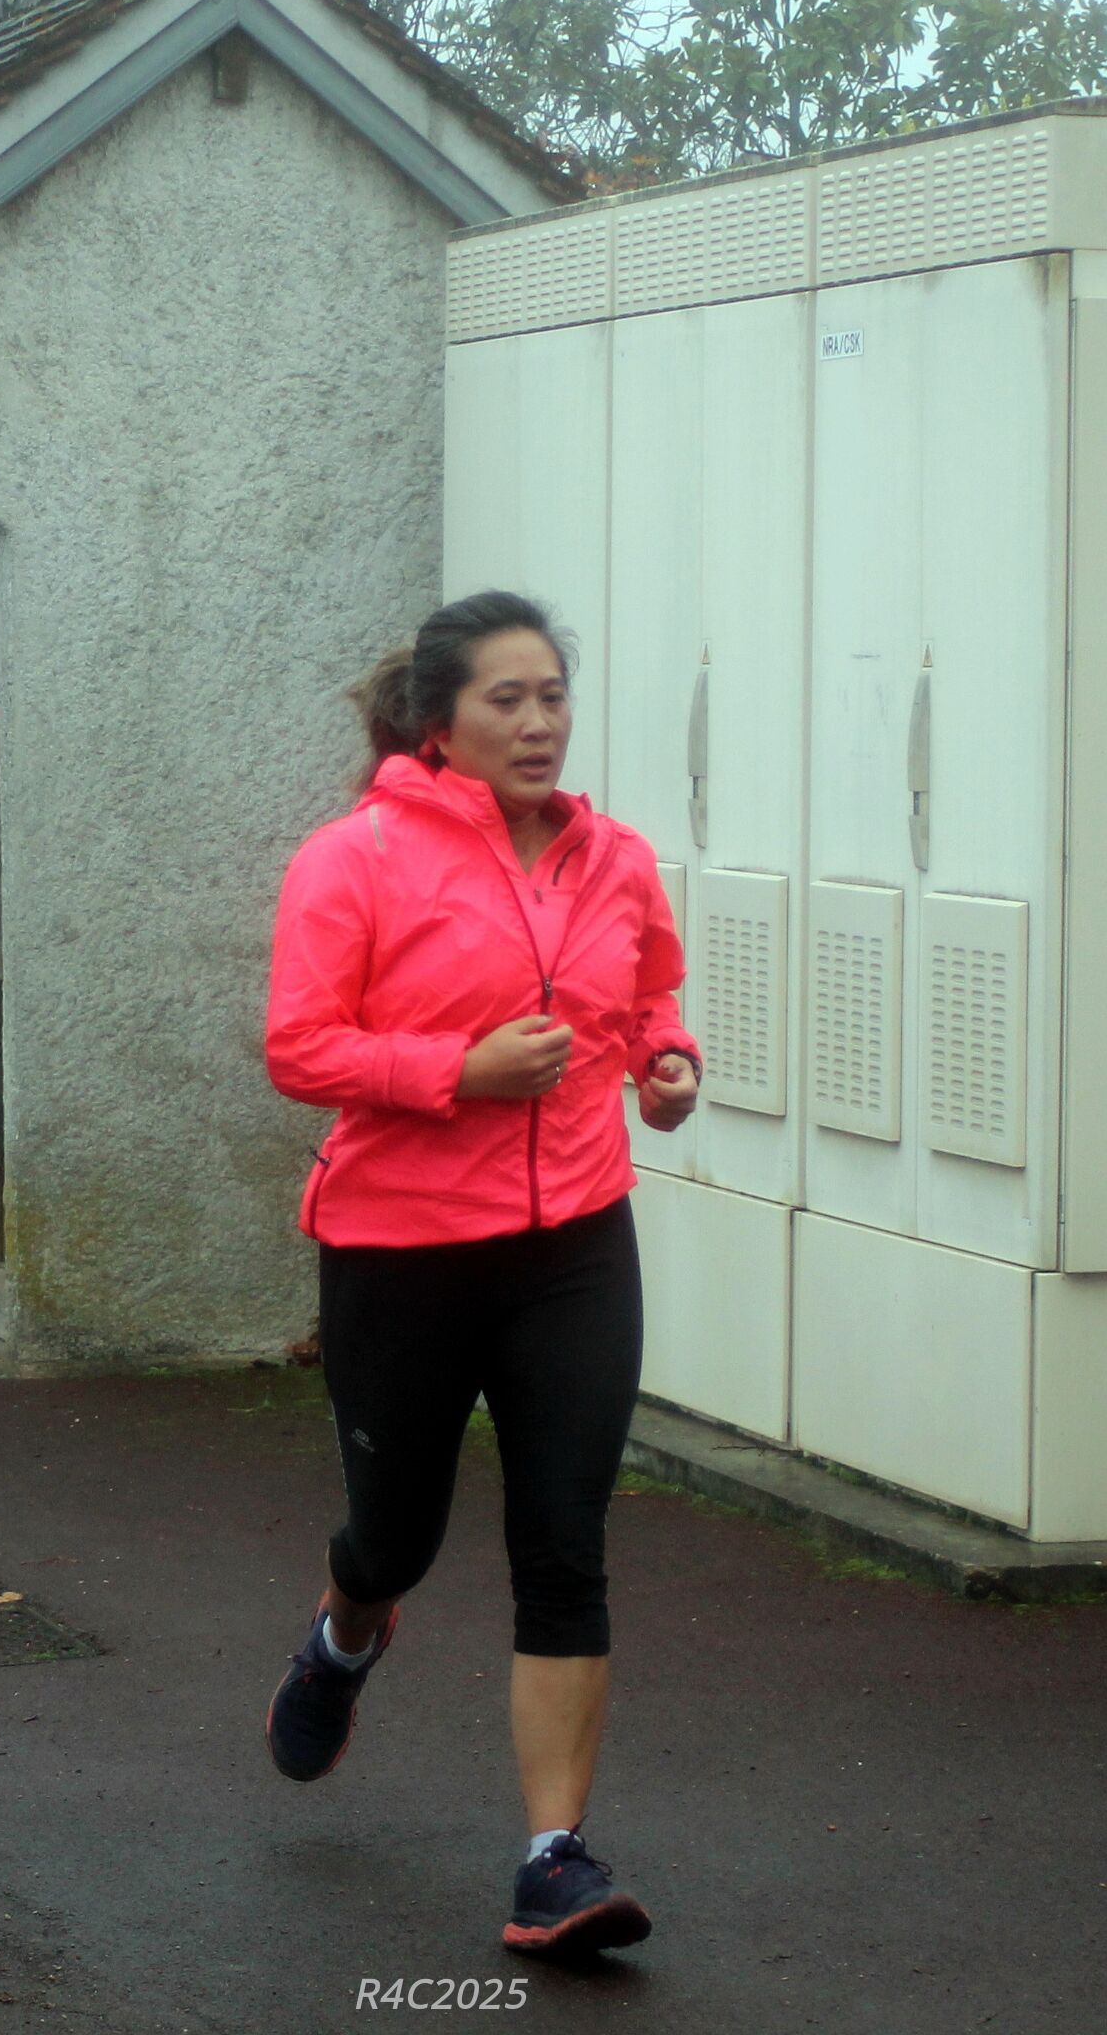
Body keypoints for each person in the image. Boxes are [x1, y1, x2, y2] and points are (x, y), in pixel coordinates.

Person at [259, 591, 702, 1957]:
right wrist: (458, 1071)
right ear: (438, 721)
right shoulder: (353, 859)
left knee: (564, 1540)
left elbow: (647, 993)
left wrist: (666, 1060)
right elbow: (300, 1048)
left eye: (552, 695)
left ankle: (553, 1859)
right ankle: (345, 1633)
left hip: (575, 1243)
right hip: (401, 1250)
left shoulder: (614, 858)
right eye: (506, 699)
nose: (537, 721)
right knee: (397, 1537)